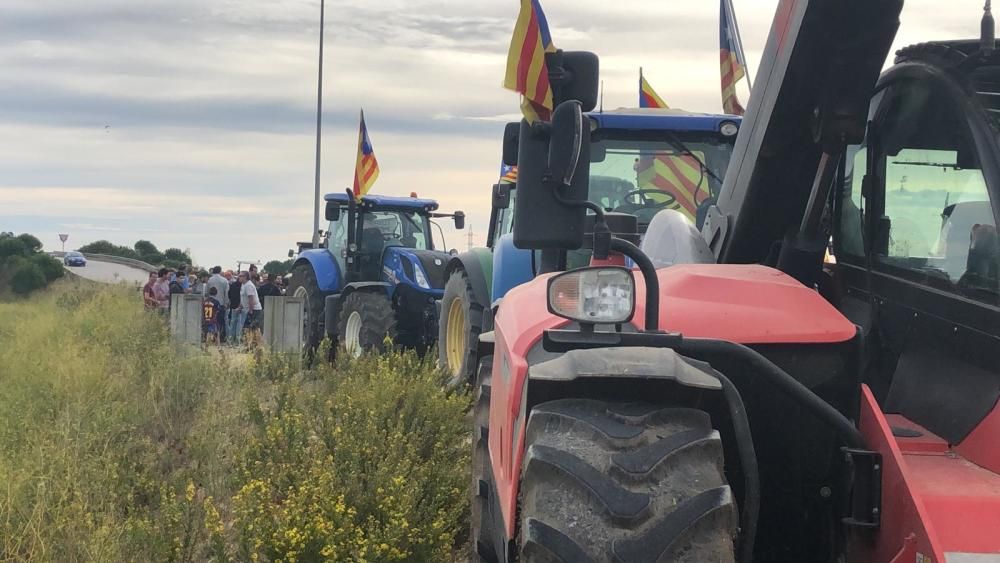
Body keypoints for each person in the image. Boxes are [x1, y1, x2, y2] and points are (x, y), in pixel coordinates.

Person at [206, 266, 230, 342]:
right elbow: (227, 293)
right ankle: (220, 337)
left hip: (211, 303)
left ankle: (211, 337)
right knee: (220, 321)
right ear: (220, 271)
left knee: (211, 320)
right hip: (221, 303)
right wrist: (226, 302)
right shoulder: (224, 280)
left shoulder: (210, 280)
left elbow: (206, 292)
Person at [240, 271, 264, 347]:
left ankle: (254, 345)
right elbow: (243, 298)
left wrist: (250, 310)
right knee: (251, 328)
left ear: (245, 277)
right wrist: (240, 306)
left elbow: (251, 299)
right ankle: (251, 345)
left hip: (255, 310)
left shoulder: (249, 285)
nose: (239, 277)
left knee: (251, 328)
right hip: (250, 309)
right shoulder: (243, 285)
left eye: (241, 276)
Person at [227, 273, 245, 344]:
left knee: (232, 323)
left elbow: (229, 295)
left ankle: (230, 339)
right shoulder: (243, 286)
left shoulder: (232, 285)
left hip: (233, 306)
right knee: (239, 324)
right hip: (240, 306)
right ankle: (237, 340)